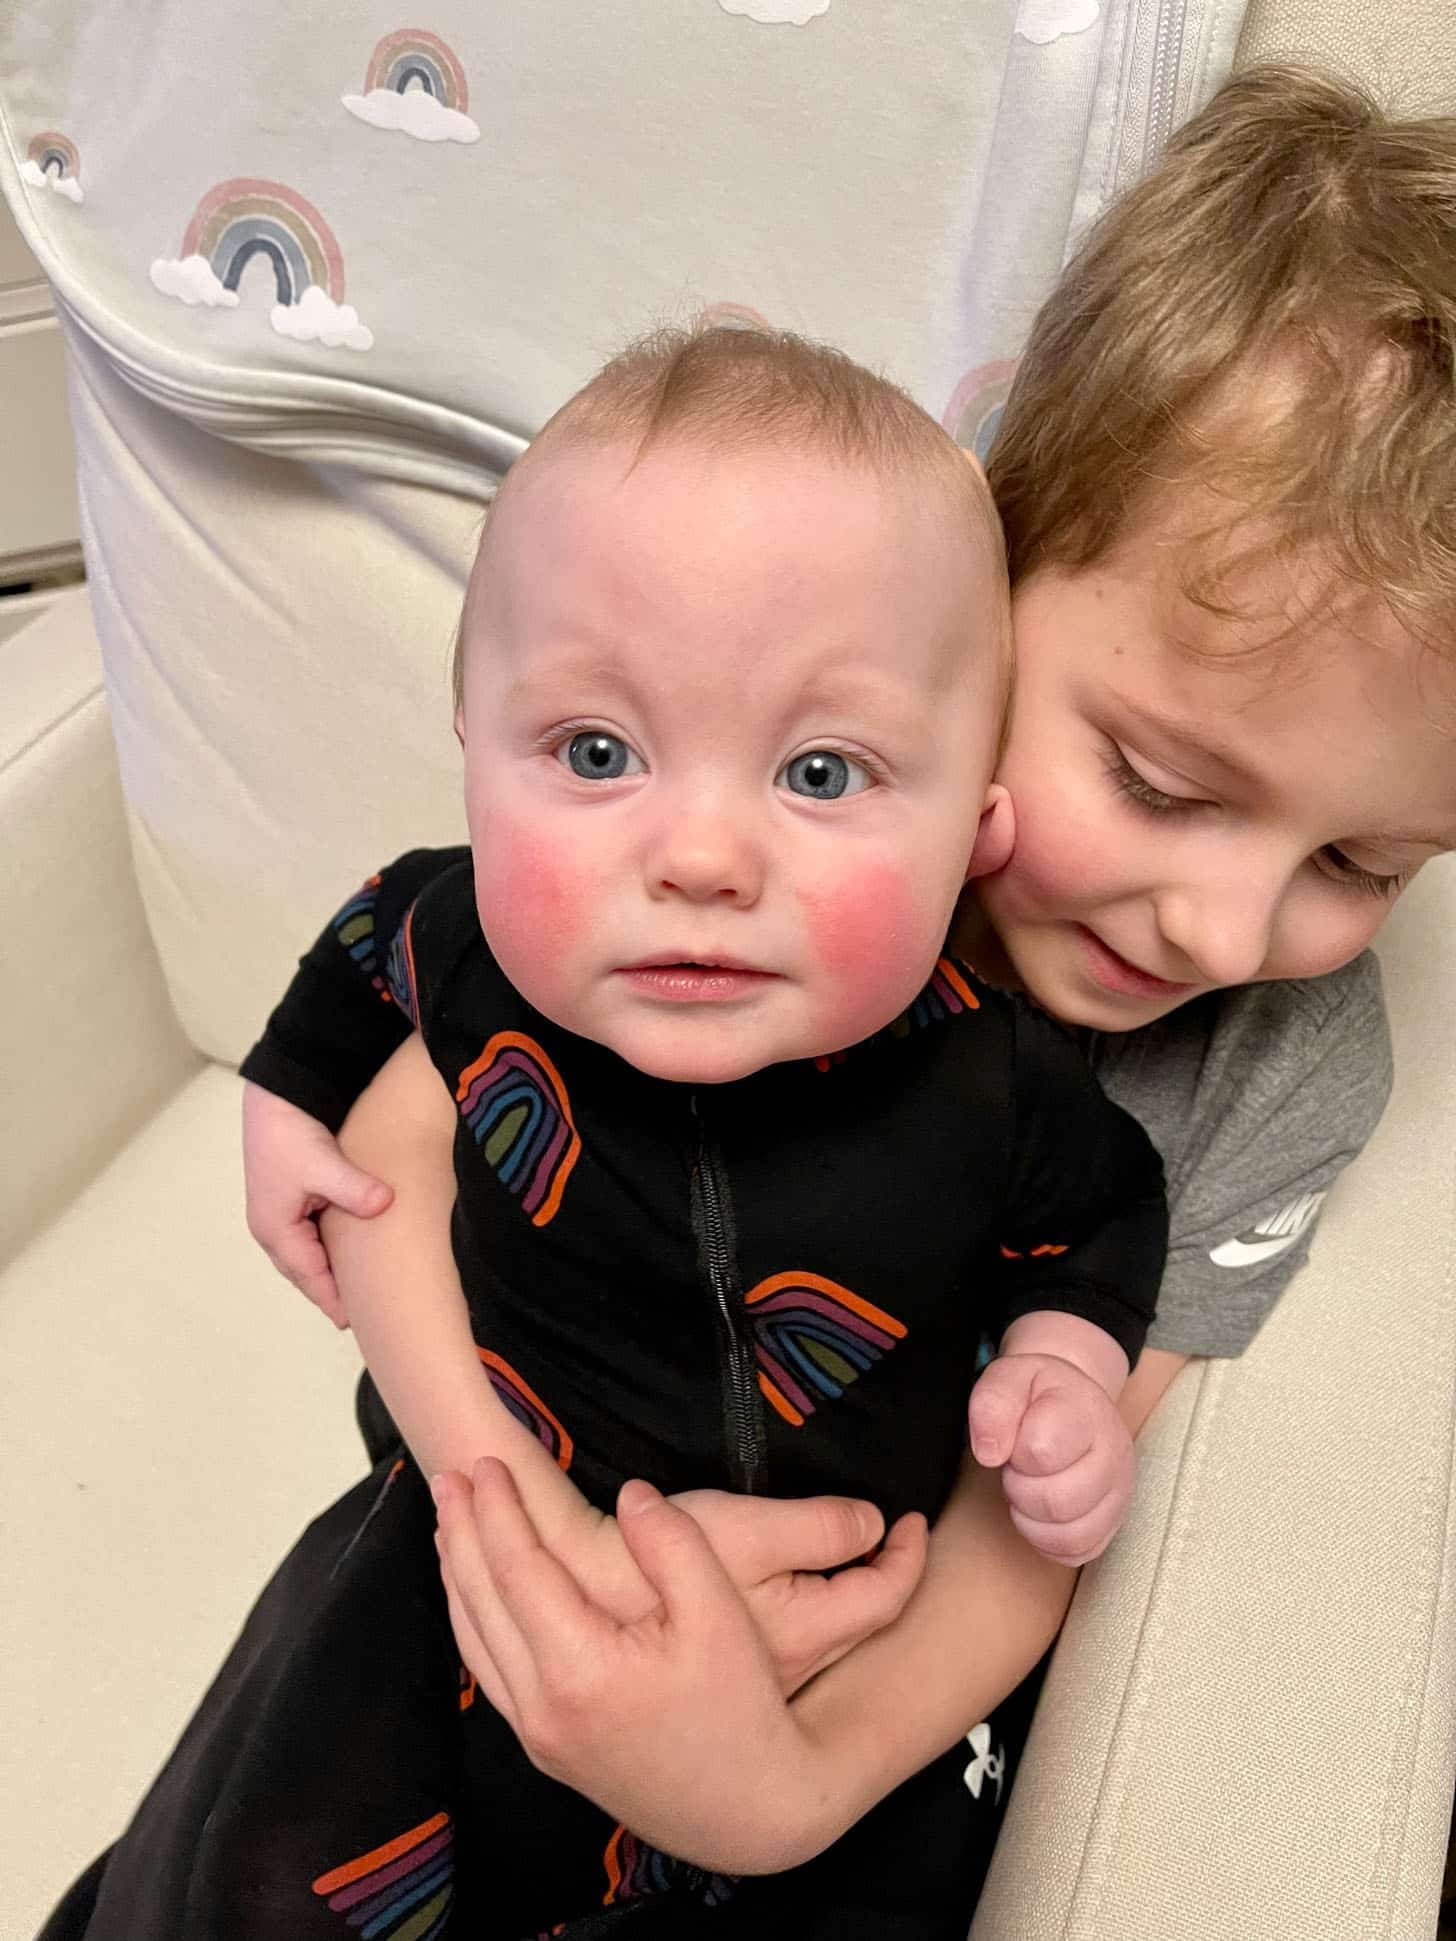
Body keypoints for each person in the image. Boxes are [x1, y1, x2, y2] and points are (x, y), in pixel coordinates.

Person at [243, 59, 1456, 1905]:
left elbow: (1028, 1525)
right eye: (1157, 782)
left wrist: (785, 1785)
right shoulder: (744, 872)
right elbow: (407, 1131)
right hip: (498, 1533)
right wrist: (525, 1520)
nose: (1222, 934)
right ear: (985, 572)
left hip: (845, 1686)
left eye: (1361, 862)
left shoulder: (1270, 1070)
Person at [44, 322, 1167, 1941]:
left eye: (822, 771)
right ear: (473, 752)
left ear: (973, 833)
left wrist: (1059, 1367)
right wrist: (283, 1105)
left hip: (828, 1630)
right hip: (469, 1564)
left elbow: (1105, 1217)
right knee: (267, 1861)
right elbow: (367, 953)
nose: (700, 855)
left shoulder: (991, 1078)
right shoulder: (476, 946)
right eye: (593, 753)